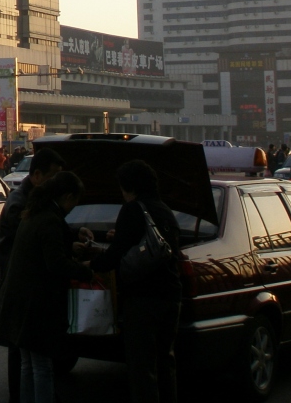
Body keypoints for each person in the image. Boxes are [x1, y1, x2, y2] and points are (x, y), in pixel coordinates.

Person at [88, 160, 182, 403]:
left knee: (142, 366)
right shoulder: (165, 210)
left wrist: (91, 265)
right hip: (171, 296)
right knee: (165, 360)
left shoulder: (132, 209)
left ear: (129, 187)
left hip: (142, 298)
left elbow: (117, 254)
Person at [0, 170, 93, 403]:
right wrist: (86, 270)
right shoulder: (49, 218)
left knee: (28, 364)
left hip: (19, 301)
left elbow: (43, 247)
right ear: (68, 197)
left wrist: (71, 240)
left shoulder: (35, 212)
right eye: (75, 201)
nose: (74, 207)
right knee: (42, 367)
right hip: (35, 305)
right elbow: (55, 264)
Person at [0, 148, 65, 403]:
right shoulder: (20, 204)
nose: (55, 183)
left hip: (21, 287)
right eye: (52, 176)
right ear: (36, 175)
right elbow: (34, 244)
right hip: (19, 287)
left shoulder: (33, 199)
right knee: (26, 357)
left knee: (26, 357)